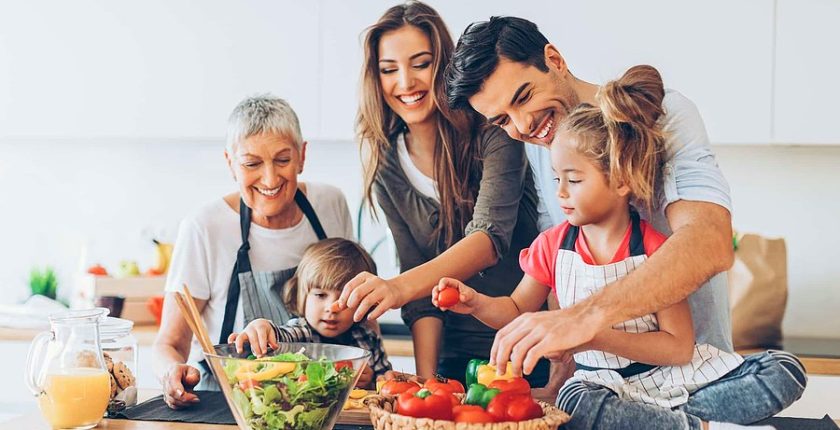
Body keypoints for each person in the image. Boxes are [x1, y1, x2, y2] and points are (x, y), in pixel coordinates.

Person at [434, 65, 806, 429]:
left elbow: (678, 348)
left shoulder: (659, 251)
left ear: (621, 179)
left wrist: (590, 331)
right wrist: (475, 303)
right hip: (604, 384)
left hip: (672, 378)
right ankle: (700, 425)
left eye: (575, 179)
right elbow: (516, 308)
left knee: (784, 370)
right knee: (576, 401)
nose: (560, 192)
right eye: (556, 178)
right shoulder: (552, 245)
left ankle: (678, 421)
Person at [444, 16, 738, 378]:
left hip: (695, 374)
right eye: (502, 120)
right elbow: (560, 272)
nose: (522, 126)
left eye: (523, 97)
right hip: (599, 381)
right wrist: (561, 375)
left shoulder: (665, 115)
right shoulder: (542, 143)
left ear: (554, 59)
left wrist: (585, 319)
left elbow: (710, 241)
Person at [337, 1, 550, 386]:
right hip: (453, 358)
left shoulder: (495, 131)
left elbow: (488, 240)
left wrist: (395, 288)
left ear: (444, 66)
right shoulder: (386, 164)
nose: (405, 83)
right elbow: (419, 294)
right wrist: (427, 382)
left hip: (526, 348)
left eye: (420, 63)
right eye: (389, 70)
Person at [152, 95, 354, 409]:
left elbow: (358, 307)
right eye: (252, 164)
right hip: (229, 406)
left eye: (283, 160)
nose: (270, 179)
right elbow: (169, 342)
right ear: (230, 163)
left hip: (318, 403)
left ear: (302, 155)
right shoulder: (204, 227)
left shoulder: (330, 205)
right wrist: (171, 374)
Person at [228, 238, 392, 389]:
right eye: (320, 295)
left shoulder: (368, 338)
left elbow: (386, 383)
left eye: (345, 299)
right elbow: (280, 336)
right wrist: (262, 327)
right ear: (301, 297)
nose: (332, 308)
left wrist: (372, 381)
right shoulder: (301, 332)